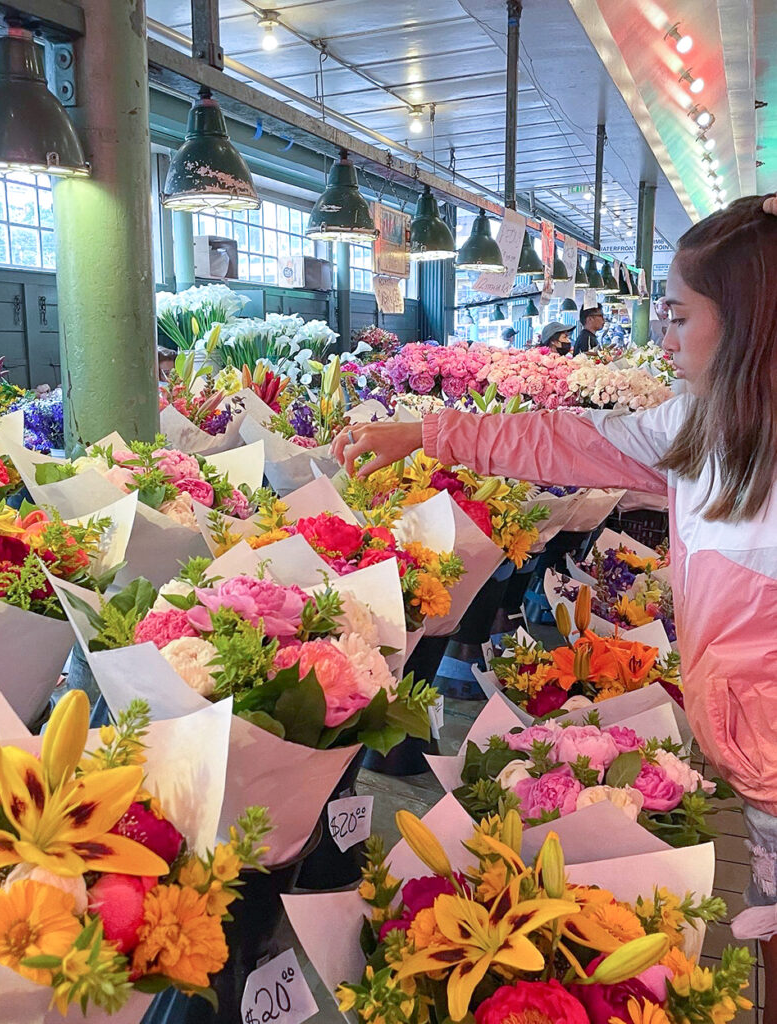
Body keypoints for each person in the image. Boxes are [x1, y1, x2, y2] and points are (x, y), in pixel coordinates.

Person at [333, 195, 777, 1020]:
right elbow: (562, 440)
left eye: (680, 318)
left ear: (752, 319)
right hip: (753, 770)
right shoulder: (700, 427)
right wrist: (430, 433)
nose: (666, 341)